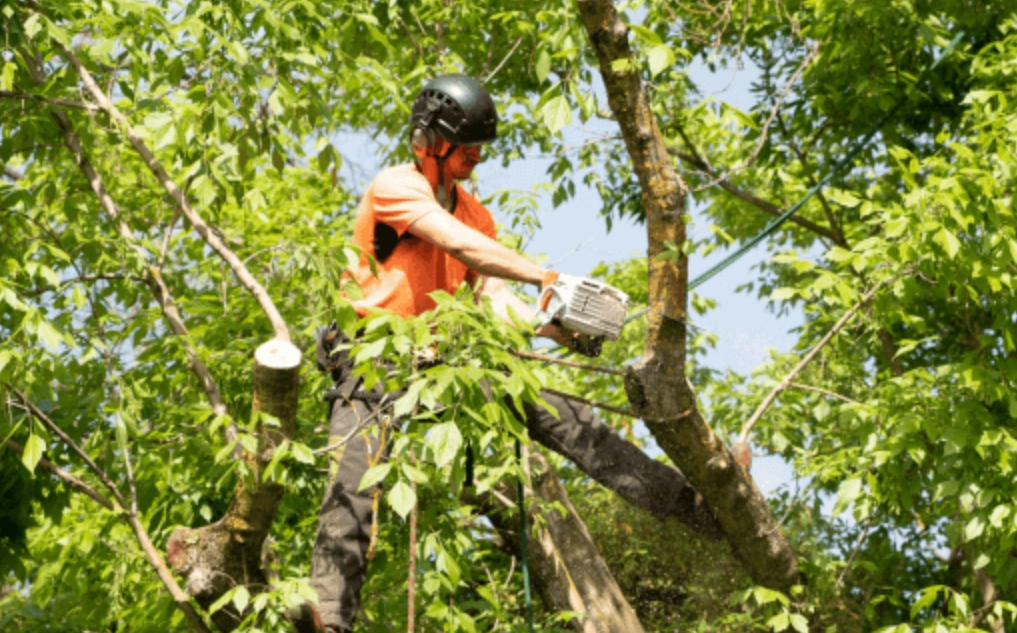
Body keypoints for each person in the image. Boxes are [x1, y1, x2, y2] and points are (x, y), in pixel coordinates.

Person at [291, 74, 710, 633]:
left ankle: (694, 506)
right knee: (353, 481)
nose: (476, 159)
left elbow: (491, 298)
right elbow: (458, 246)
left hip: (439, 370)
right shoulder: (397, 187)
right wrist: (546, 275)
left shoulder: (475, 212)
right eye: (466, 148)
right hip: (372, 361)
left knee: (568, 418)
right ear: (430, 141)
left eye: (478, 148)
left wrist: (552, 323)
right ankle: (331, 619)